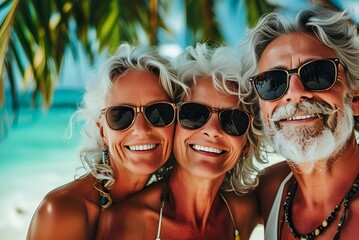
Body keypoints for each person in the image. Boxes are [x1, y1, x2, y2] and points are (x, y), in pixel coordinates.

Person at [240, 6, 359, 240]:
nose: (295, 94)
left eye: (316, 74)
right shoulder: (266, 191)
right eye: (272, 82)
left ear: (355, 96)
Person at [95, 43, 265, 240]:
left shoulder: (243, 211)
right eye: (194, 115)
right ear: (172, 125)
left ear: (246, 143)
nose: (212, 131)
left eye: (233, 120)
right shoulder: (126, 223)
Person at [27, 43, 187, 240]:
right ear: (103, 131)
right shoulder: (64, 212)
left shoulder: (168, 208)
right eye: (121, 115)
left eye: (159, 112)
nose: (141, 129)